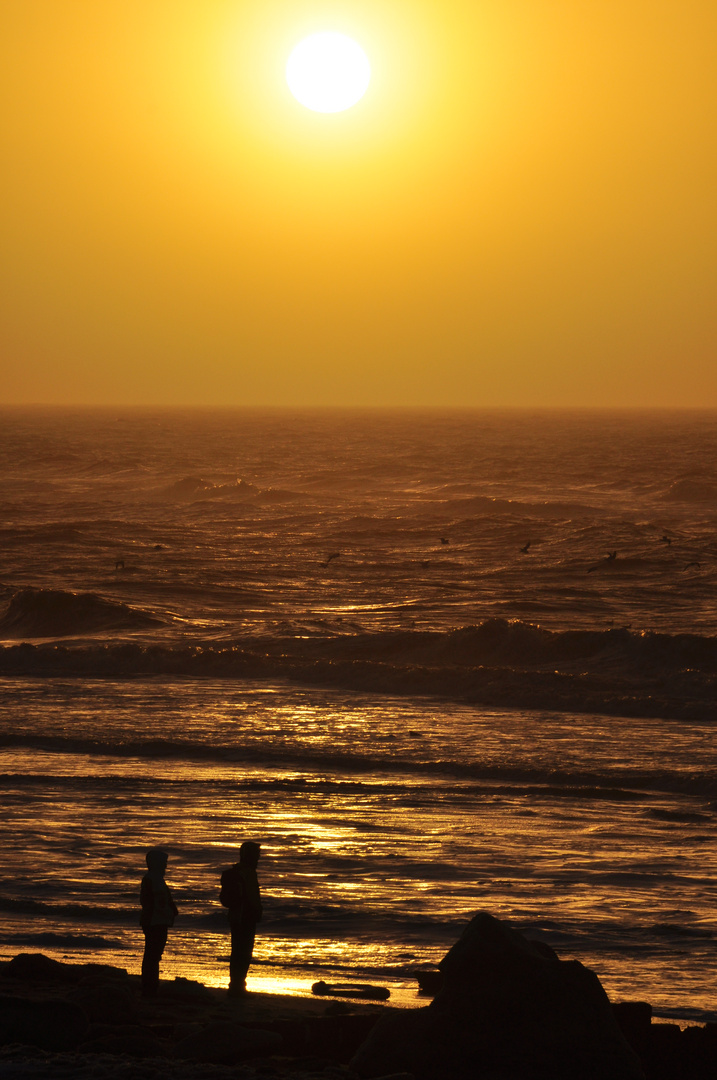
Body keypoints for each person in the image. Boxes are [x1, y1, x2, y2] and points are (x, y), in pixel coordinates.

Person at [220, 841, 262, 996]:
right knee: (241, 952)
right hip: (242, 917)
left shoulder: (247, 872)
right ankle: (237, 985)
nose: (258, 858)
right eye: (256, 855)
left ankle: (238, 983)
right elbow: (248, 897)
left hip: (243, 917)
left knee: (241, 951)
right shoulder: (244, 873)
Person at [139, 847, 178, 998]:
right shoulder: (150, 880)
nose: (166, 866)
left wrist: (172, 910)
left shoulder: (158, 879)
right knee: (152, 955)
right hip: (153, 922)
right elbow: (148, 902)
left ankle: (151, 985)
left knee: (155, 954)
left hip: (160, 921)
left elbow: (165, 900)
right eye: (164, 862)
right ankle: (149, 987)